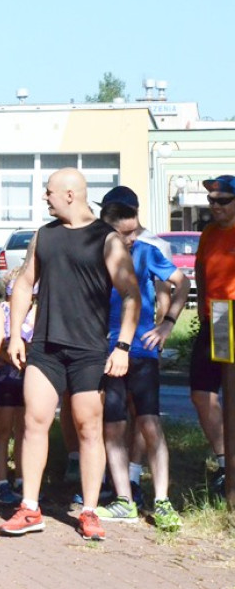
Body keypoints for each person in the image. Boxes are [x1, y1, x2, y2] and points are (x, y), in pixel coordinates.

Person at [0, 168, 139, 543]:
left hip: (89, 351)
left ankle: (89, 511)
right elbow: (25, 282)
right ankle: (29, 506)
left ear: (71, 195)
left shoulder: (106, 240)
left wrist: (122, 346)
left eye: (49, 193)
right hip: (44, 347)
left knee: (88, 427)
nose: (45, 198)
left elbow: (130, 294)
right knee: (34, 422)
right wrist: (15, 334)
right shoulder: (44, 235)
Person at [95, 198, 188, 531]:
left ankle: (162, 500)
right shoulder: (96, 255)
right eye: (125, 234)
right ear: (108, 229)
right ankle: (124, 500)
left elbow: (182, 282)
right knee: (113, 427)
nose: (133, 239)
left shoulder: (147, 253)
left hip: (142, 352)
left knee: (149, 424)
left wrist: (167, 324)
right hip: (105, 353)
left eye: (135, 231)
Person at [191, 175, 235, 497]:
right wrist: (202, 309)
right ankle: (225, 462)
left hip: (231, 313)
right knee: (201, 392)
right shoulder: (209, 232)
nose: (215, 206)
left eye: (222, 201)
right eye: (211, 201)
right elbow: (200, 268)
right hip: (216, 316)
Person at [0, 272, 36, 506]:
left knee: (25, 430)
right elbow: (0, 346)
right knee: (5, 429)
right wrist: (18, 358)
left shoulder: (35, 311)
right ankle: (1, 482)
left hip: (30, 377)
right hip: (7, 376)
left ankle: (21, 478)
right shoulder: (0, 310)